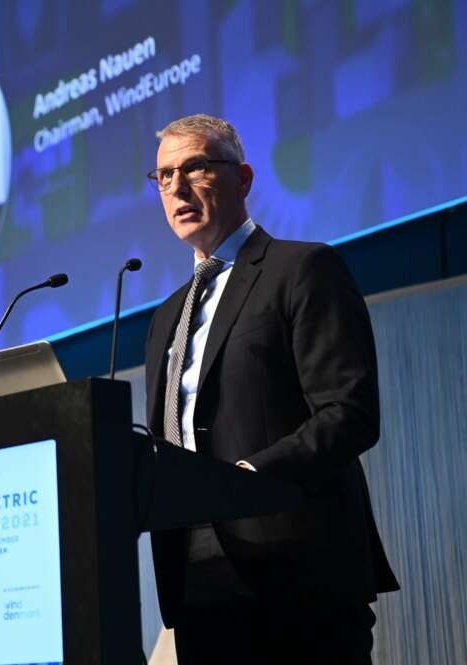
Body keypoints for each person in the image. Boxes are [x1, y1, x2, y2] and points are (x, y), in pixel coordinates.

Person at [143, 114, 398, 664]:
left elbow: (349, 411)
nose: (177, 188)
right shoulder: (166, 317)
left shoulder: (302, 269)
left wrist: (247, 480)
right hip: (195, 576)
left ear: (244, 178)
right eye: (164, 176)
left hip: (296, 569)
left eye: (196, 168)